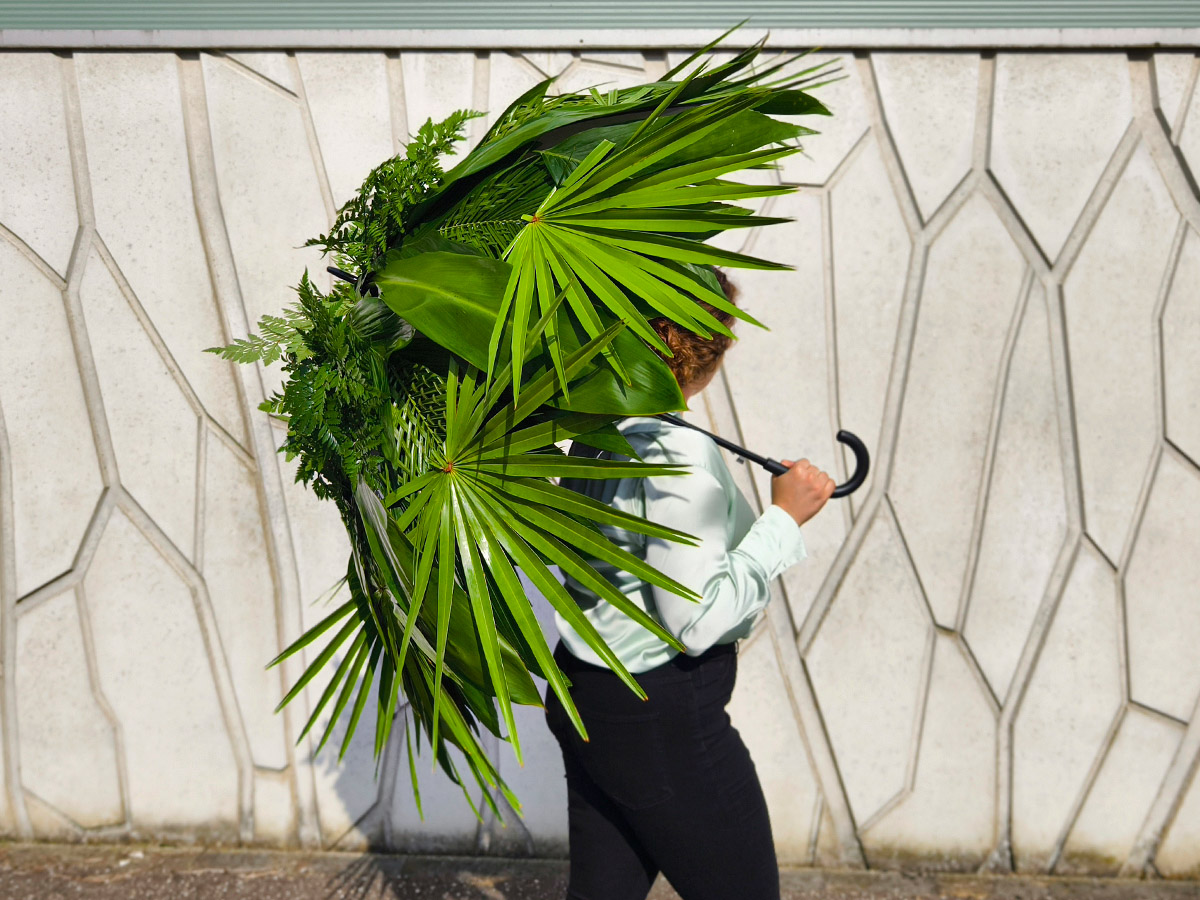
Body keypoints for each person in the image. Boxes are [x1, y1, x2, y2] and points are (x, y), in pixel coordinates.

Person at [544, 271, 837, 900]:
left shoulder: (597, 433)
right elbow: (697, 619)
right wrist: (783, 520)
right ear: (709, 352)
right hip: (660, 721)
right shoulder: (675, 459)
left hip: (585, 697)